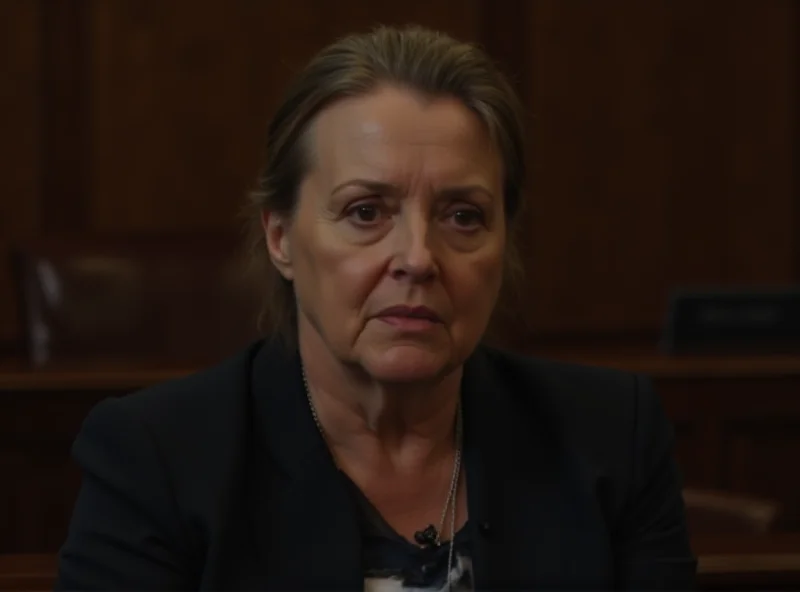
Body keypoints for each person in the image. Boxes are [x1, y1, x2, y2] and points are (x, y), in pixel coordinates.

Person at [55, 25, 696, 591]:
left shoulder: (613, 436)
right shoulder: (158, 457)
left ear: (506, 240)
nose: (418, 257)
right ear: (280, 236)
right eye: (366, 212)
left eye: (463, 216)